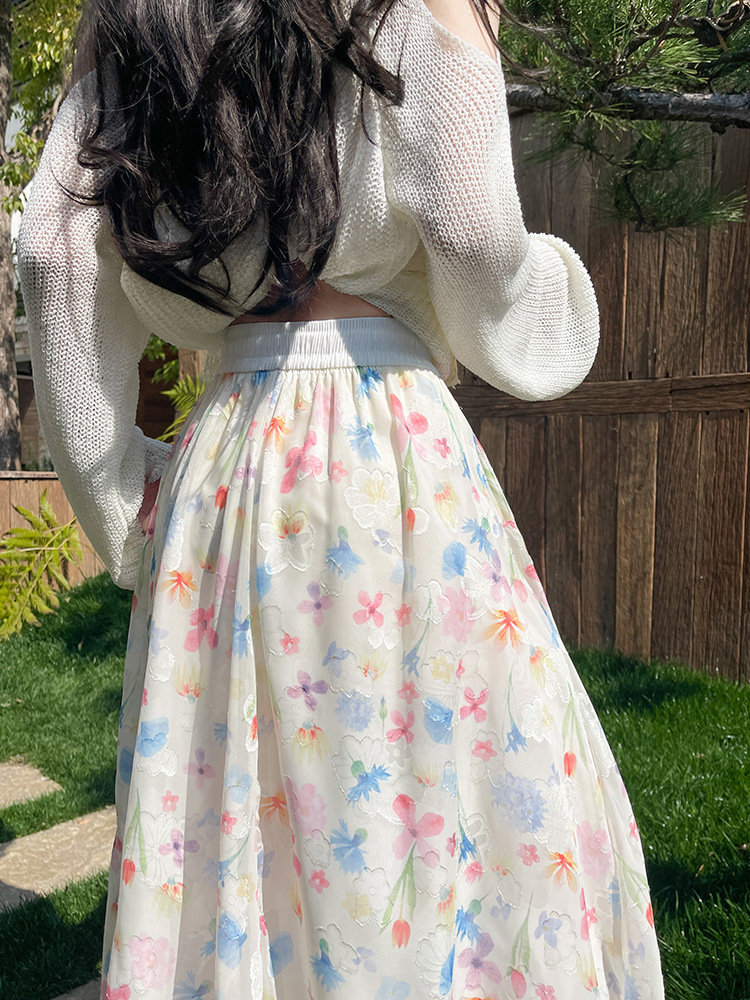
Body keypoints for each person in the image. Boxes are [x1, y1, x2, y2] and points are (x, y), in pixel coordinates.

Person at [17, 1, 665, 997]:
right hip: (388, 452)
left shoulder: (144, 15)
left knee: (243, 822)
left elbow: (51, 251)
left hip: (226, 467)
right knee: (435, 793)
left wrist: (118, 500)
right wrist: (550, 309)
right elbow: (469, 228)